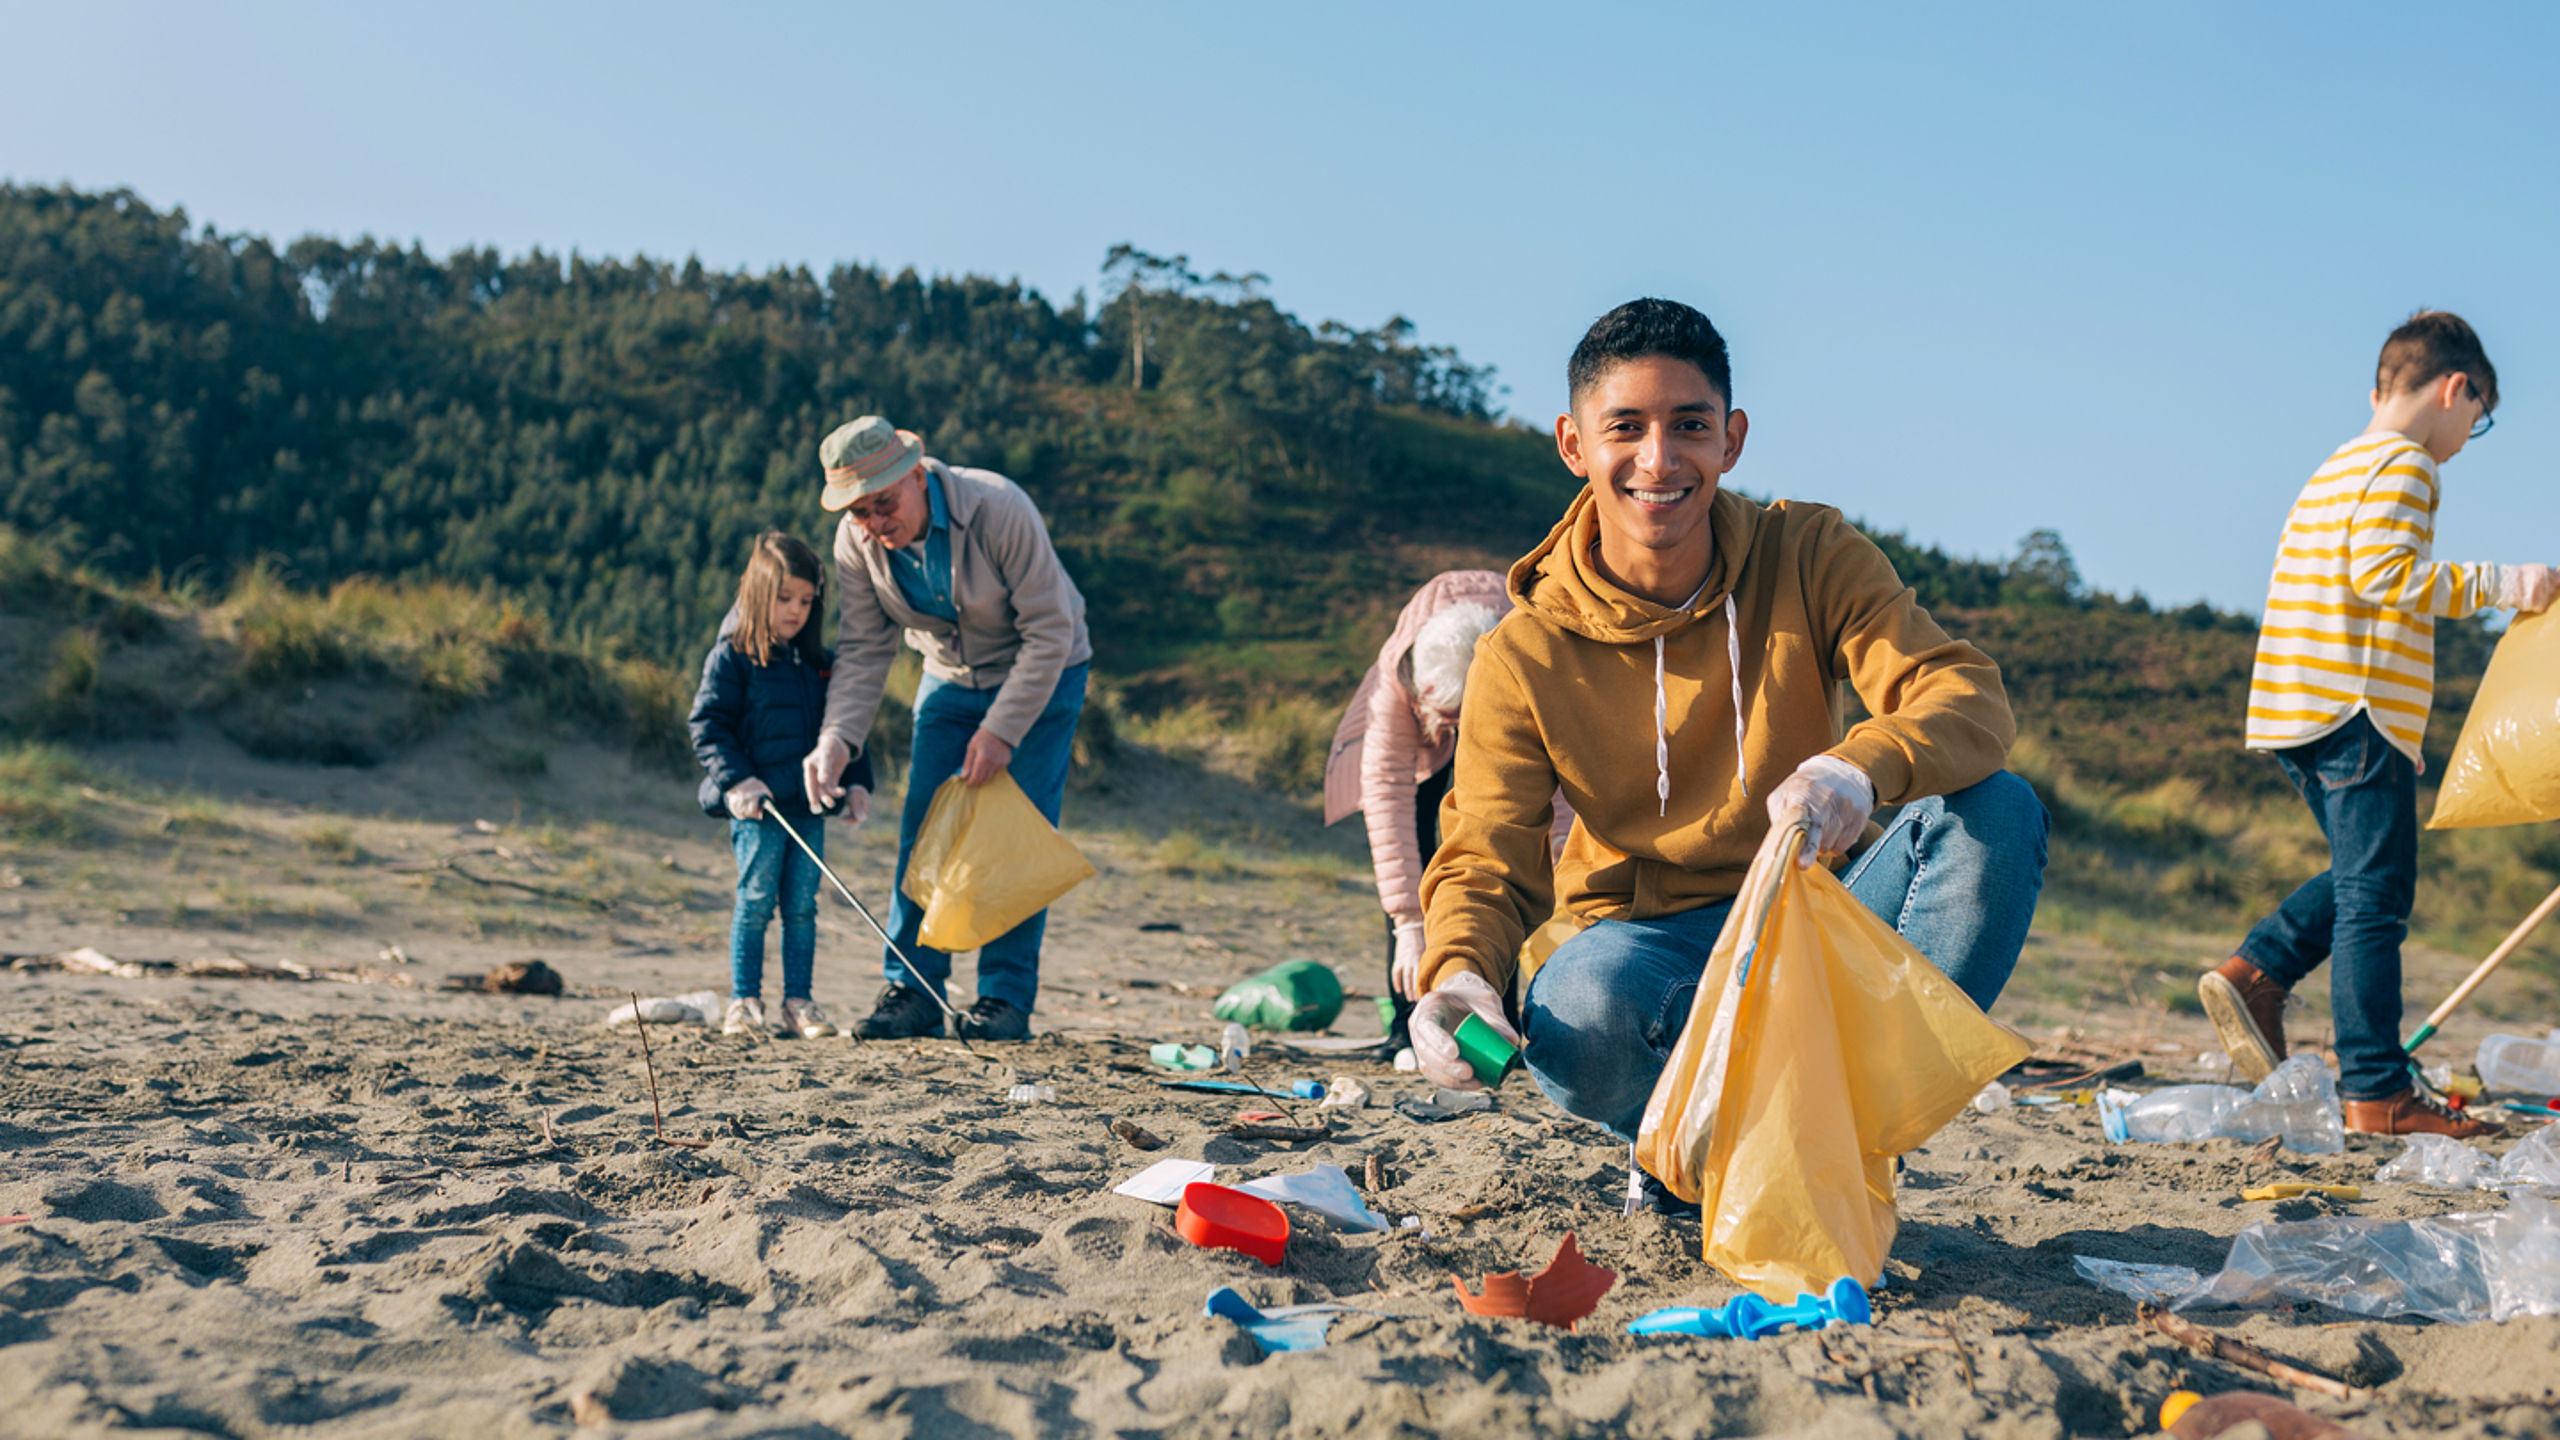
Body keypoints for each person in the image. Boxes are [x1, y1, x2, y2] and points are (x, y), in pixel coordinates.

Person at [1407, 299, 2048, 1205]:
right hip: (1644, 953)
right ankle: (1683, 1145)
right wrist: (1461, 975)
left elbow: (1964, 694)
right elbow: (1484, 856)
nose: (1659, 460)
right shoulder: (1524, 652)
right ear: (1573, 444)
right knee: (1580, 1005)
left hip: (1816, 911)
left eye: (1691, 427)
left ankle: (1829, 1140)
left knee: (1997, 814)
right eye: (1625, 428)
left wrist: (1855, 767)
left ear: (1732, 439)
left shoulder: (1812, 554)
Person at [2202, 311, 2556, 1139]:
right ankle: (2377, 1089)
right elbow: (2386, 576)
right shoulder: (2407, 466)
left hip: (2298, 704)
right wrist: (2511, 583)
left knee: (2371, 877)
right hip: (2355, 706)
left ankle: (2257, 972)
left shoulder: (2339, 465)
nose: (2470, 434)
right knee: (2378, 898)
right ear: (2454, 388)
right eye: (2480, 416)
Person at [799, 414, 1090, 1042]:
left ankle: (1003, 999)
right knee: (926, 830)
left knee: (1014, 838)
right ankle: (915, 988)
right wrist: (837, 739)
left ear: (916, 474)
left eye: (884, 504)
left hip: (1044, 669)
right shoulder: (858, 545)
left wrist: (1002, 732)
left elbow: (1050, 631)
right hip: (951, 678)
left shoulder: (998, 506)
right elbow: (865, 648)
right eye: (859, 513)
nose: (876, 524)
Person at [1323, 571, 1573, 1051]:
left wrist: (1560, 859)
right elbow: (1386, 798)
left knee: (1509, 862)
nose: (1458, 735)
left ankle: (1499, 1021)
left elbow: (1556, 783)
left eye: (1463, 722)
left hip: (1507, 712)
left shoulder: (1532, 663)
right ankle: (1407, 1024)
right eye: (1451, 720)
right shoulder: (1397, 685)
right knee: (1414, 861)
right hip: (1420, 738)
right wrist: (1409, 922)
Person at [689, 532, 871, 1039]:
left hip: (809, 806)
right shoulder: (733, 658)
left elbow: (846, 726)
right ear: (757, 595)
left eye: (806, 601)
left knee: (801, 907)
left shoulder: (819, 663)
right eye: (784, 599)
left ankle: (799, 1003)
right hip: (759, 808)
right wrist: (738, 780)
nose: (795, 611)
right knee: (754, 899)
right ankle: (744, 1002)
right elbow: (708, 725)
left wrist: (857, 782)